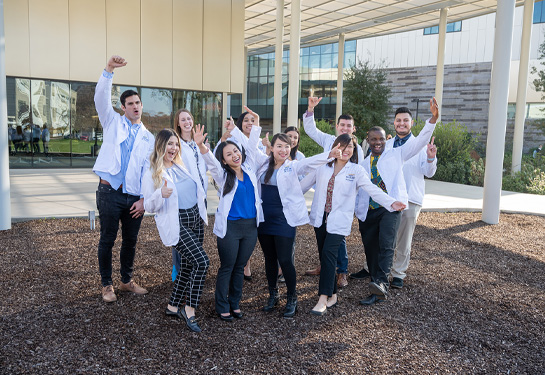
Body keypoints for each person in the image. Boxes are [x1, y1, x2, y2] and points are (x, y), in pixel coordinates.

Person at [229, 119, 341, 317]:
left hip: (284, 221)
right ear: (271, 148)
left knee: (286, 260)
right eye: (279, 146)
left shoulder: (293, 166)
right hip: (264, 220)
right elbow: (248, 147)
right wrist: (236, 131)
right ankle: (273, 295)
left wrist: (329, 155)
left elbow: (310, 162)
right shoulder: (262, 164)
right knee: (270, 260)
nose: (283, 150)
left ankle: (292, 298)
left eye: (286, 146)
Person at [304, 133, 406, 316]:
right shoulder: (322, 167)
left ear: (354, 150)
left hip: (339, 221)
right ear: (334, 147)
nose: (345, 150)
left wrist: (391, 202)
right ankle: (333, 295)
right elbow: (302, 186)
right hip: (320, 219)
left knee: (328, 254)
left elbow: (371, 189)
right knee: (325, 258)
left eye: (350, 147)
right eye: (342, 147)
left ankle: (322, 298)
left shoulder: (356, 170)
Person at [354, 98, 438, 306]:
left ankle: (383, 282)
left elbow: (418, 143)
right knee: (371, 246)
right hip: (370, 211)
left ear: (385, 139)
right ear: (368, 140)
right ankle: (376, 281)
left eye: (381, 139)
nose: (378, 142)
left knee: (388, 244)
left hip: (394, 207)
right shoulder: (363, 164)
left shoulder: (396, 154)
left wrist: (433, 120)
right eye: (373, 139)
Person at [93, 55, 155, 303]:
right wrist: (109, 70)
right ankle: (107, 285)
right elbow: (100, 99)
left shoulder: (149, 137)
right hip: (109, 192)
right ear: (123, 108)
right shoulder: (111, 122)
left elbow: (148, 173)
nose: (135, 106)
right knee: (108, 238)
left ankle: (126, 281)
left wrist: (144, 199)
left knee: (130, 240)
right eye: (130, 103)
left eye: (138, 102)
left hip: (132, 195)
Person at [193, 111, 263, 322]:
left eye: (236, 151)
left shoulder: (250, 168)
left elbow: (251, 145)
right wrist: (201, 146)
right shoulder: (224, 176)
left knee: (240, 267)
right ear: (224, 160)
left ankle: (235, 303)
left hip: (250, 227)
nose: (234, 155)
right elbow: (211, 163)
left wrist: (254, 124)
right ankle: (221, 304)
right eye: (229, 154)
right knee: (227, 266)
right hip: (230, 229)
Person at [142, 129, 209, 333]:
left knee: (189, 265)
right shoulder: (152, 172)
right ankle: (189, 309)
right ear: (161, 145)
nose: (174, 148)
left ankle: (173, 306)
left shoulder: (181, 166)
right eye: (170, 144)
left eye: (176, 144)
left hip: (195, 218)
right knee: (202, 262)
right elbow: (148, 206)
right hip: (177, 222)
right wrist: (160, 194)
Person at [303, 97, 364, 288]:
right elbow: (311, 130)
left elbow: (358, 177)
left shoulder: (357, 149)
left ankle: (342, 272)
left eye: (349, 126)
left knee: (339, 239)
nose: (345, 128)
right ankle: (325, 266)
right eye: (342, 125)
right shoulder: (329, 140)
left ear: (353, 129)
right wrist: (311, 110)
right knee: (321, 233)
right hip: (324, 197)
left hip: (341, 202)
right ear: (337, 127)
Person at [386, 107, 437, 289]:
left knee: (404, 239)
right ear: (394, 123)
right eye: (398, 120)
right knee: (384, 237)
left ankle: (398, 273)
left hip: (411, 199)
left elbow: (428, 173)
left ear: (411, 123)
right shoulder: (387, 145)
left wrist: (431, 158)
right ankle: (376, 268)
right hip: (390, 200)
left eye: (405, 120)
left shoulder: (421, 145)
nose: (401, 123)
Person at [170, 109, 209, 281]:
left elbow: (207, 165)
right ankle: (179, 272)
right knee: (182, 239)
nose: (187, 122)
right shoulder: (175, 143)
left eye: (189, 118)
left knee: (196, 239)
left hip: (200, 197)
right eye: (183, 119)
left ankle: (193, 271)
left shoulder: (198, 142)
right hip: (183, 200)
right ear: (177, 123)